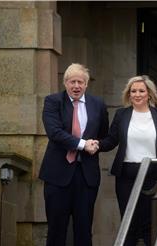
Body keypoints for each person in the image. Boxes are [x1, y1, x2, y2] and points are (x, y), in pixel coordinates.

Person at [98, 75, 157, 246]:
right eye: (133, 91)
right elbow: (111, 140)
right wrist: (95, 144)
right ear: (129, 94)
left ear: (149, 94)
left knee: (149, 223)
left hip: (151, 175)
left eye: (141, 91)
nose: (137, 94)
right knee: (128, 222)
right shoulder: (121, 114)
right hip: (126, 176)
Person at [39, 63, 109, 246]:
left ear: (86, 84)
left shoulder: (98, 104)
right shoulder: (53, 101)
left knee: (84, 230)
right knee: (56, 230)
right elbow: (54, 133)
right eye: (72, 82)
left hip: (86, 176)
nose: (76, 86)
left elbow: (103, 134)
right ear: (65, 83)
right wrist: (83, 144)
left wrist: (96, 145)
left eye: (80, 82)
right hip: (57, 176)